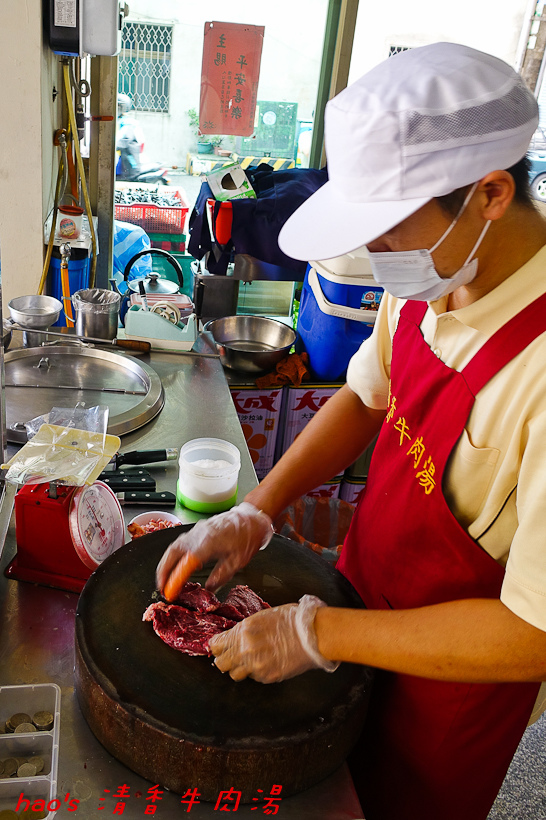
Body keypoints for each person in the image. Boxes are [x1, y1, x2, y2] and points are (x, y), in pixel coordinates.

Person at [156, 42, 546, 820]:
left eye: (389, 228)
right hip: (359, 602)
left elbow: (531, 632)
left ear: (492, 194)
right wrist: (255, 511)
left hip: (448, 694)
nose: (373, 253)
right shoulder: (435, 272)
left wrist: (319, 634)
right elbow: (368, 397)